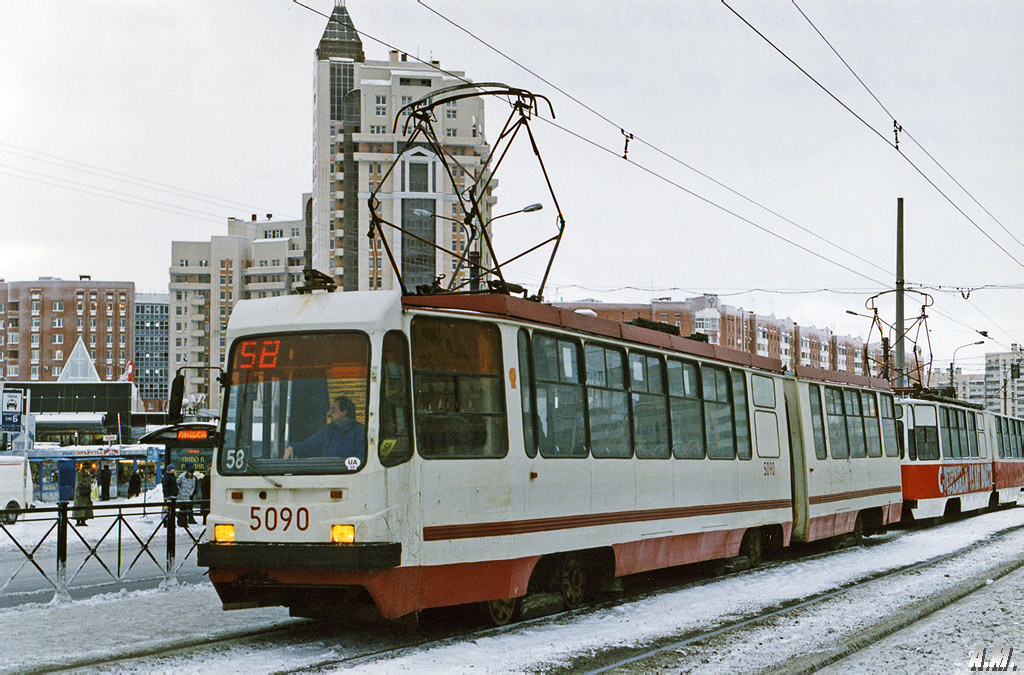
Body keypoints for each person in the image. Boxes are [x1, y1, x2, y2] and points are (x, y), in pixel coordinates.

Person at [283, 396, 365, 463]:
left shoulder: (360, 432)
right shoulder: (327, 430)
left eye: (333, 409)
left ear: (344, 412)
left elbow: (361, 460)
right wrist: (293, 447)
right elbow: (310, 444)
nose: (330, 413)